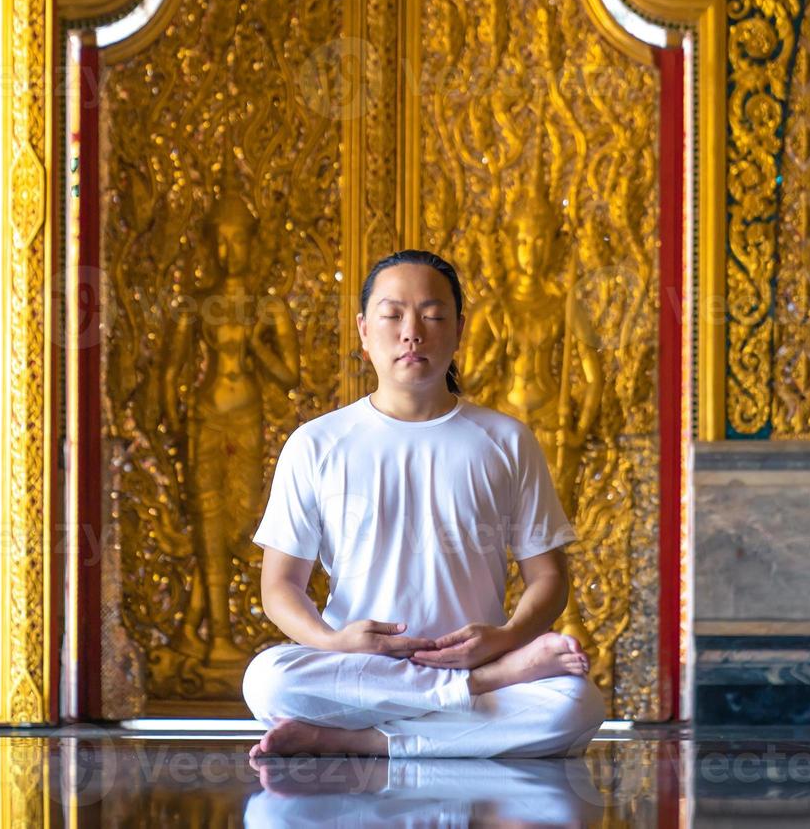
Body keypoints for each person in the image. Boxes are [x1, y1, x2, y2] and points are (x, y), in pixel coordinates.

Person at [241, 249, 605, 759]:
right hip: (358, 671)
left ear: (458, 330)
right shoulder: (317, 443)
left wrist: (503, 640)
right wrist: (334, 643)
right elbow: (280, 586)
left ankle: (360, 742)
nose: (412, 332)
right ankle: (462, 708)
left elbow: (549, 578)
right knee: (267, 681)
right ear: (365, 331)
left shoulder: (505, 440)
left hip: (475, 660)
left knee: (578, 705)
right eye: (393, 316)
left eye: (433, 317)